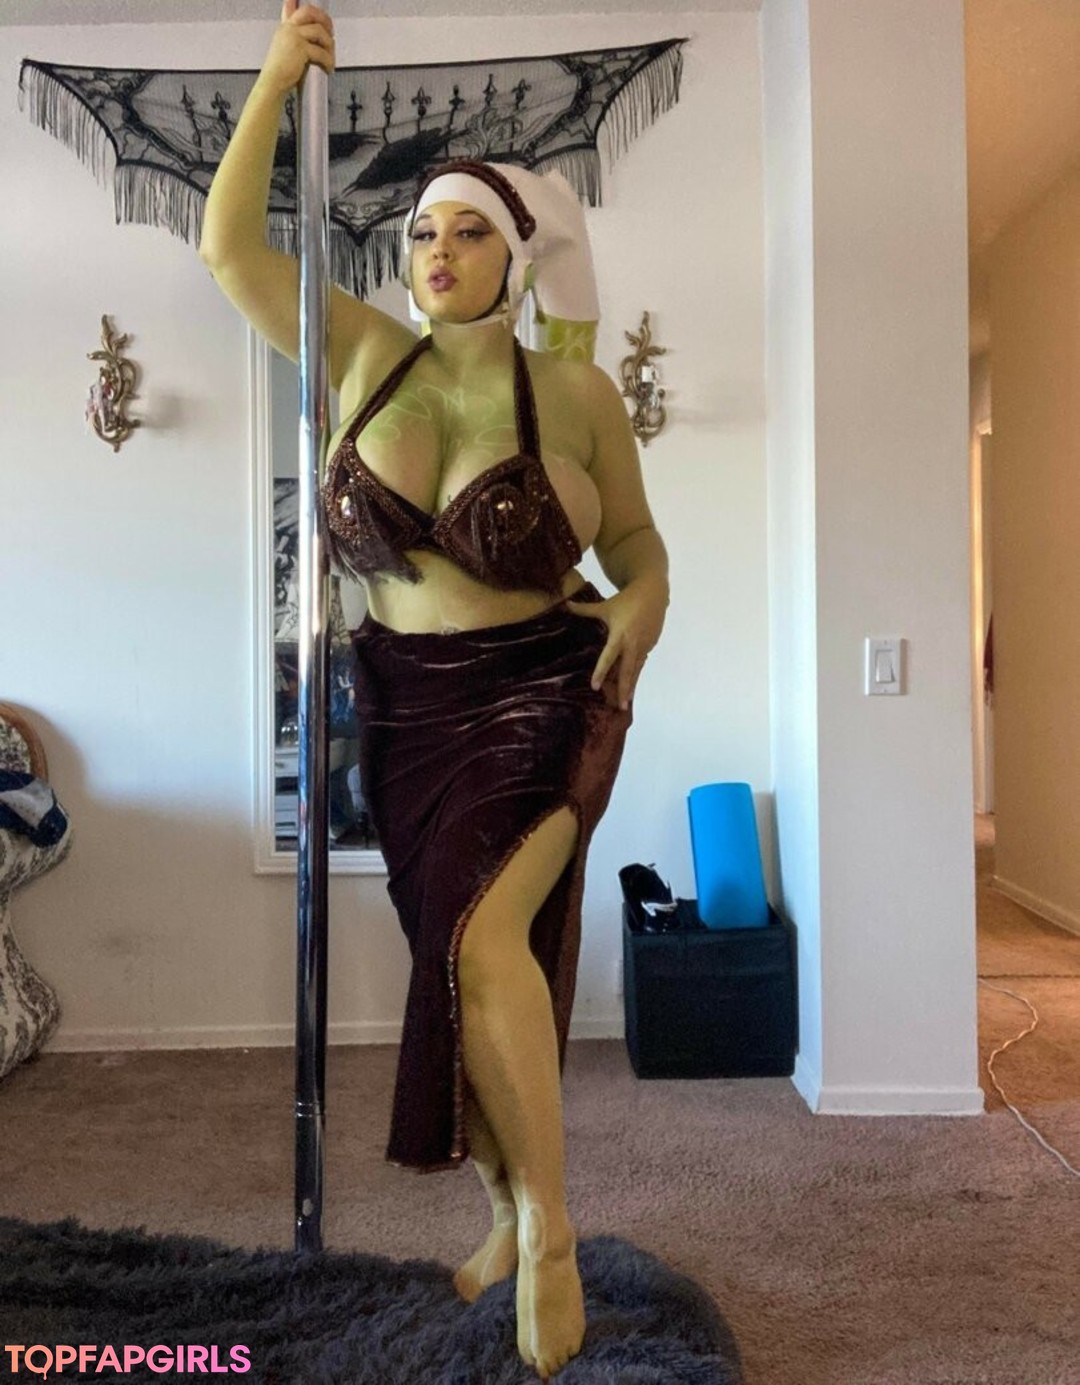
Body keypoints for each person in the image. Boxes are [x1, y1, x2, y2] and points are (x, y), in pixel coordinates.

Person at [199, 5, 668, 1378]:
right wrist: (274, 80)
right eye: (419, 235)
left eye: (467, 232)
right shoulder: (357, 350)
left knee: (478, 935)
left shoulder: (575, 396)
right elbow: (229, 249)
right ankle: (505, 1209)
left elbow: (637, 547)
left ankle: (555, 1228)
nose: (438, 253)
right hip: (403, 710)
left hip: (540, 694)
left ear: (514, 255)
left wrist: (643, 601)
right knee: (453, 960)